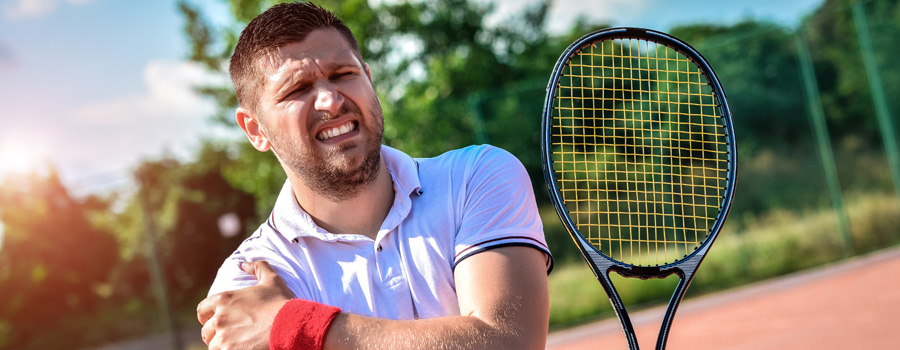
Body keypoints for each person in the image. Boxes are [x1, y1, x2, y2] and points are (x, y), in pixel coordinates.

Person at [196, 2, 552, 349]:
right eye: (297, 89)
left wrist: (299, 327)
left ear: (368, 79)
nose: (330, 101)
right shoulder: (247, 282)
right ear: (255, 129)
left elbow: (509, 341)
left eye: (342, 75)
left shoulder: (477, 177)